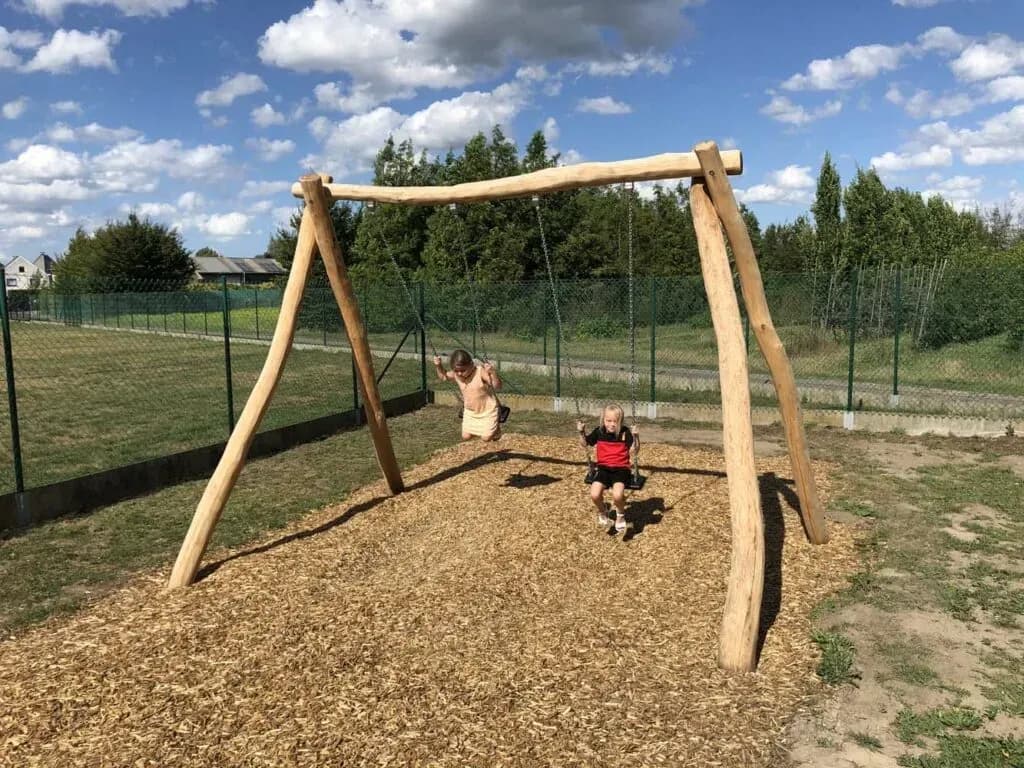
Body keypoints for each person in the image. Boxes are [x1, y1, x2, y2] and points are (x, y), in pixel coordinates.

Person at [577, 404, 640, 534]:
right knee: (594, 494)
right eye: (608, 421)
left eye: (615, 422)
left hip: (621, 469)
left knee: (617, 495)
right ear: (603, 420)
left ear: (620, 422)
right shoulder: (599, 432)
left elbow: (634, 451)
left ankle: (620, 515)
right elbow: (585, 443)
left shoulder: (624, 433)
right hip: (603, 469)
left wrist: (636, 437)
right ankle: (603, 510)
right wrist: (581, 432)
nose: (611, 424)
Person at [434, 349, 503, 442]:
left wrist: (493, 373)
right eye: (456, 370)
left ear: (471, 365)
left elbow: (497, 386)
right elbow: (443, 376)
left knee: (486, 438)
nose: (459, 373)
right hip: (470, 410)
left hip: (488, 409)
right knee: (466, 436)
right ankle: (491, 428)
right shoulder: (457, 375)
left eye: (463, 370)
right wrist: (438, 365)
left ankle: (496, 429)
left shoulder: (479, 372)